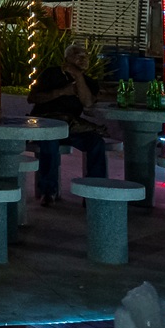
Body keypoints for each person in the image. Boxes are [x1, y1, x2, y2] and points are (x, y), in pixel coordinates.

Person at [29, 43, 108, 206]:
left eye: (85, 56)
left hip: (73, 127)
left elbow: (87, 103)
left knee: (96, 143)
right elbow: (33, 98)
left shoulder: (88, 82)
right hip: (48, 124)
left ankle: (94, 191)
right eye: (78, 55)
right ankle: (48, 191)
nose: (83, 59)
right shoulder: (51, 74)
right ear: (67, 58)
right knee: (50, 143)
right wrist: (61, 92)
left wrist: (78, 77)